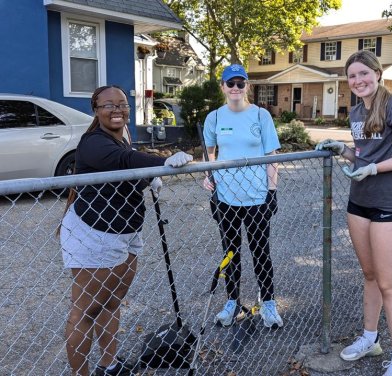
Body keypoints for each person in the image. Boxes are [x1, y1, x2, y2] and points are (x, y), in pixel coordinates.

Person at [59, 85, 192, 376]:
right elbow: (124, 163)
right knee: (86, 309)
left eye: (122, 104)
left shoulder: (123, 139)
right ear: (96, 110)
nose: (116, 109)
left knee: (112, 301)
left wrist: (147, 180)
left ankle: (109, 365)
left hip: (125, 231)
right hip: (95, 233)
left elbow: (125, 171)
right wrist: (161, 164)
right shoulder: (93, 142)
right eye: (108, 105)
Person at [316, 50, 392, 376]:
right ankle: (370, 338)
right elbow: (362, 156)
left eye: (364, 73)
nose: (358, 81)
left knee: (390, 285)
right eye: (352, 76)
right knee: (370, 276)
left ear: (377, 73)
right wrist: (344, 150)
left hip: (390, 205)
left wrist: (374, 169)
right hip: (359, 203)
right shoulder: (356, 112)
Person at [202, 64, 283, 329]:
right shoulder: (214, 117)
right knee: (231, 252)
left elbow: (271, 157)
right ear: (222, 87)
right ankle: (232, 301)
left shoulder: (260, 116)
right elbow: (210, 154)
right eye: (230, 83)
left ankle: (268, 303)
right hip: (226, 197)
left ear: (247, 86)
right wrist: (209, 176)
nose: (235, 88)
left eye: (240, 83)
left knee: (261, 251)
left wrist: (272, 191)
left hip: (257, 196)